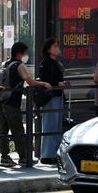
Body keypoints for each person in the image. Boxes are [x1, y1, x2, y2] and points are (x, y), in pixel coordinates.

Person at [0, 42, 52, 167]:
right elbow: (31, 82)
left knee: (2, 132)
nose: (26, 56)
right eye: (26, 53)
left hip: (1, 102)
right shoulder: (19, 65)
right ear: (19, 53)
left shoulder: (4, 64)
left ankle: (4, 158)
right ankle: (23, 158)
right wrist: (44, 84)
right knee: (18, 131)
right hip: (12, 103)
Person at [39, 37, 66, 165]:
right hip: (51, 97)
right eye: (54, 46)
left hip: (57, 96)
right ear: (48, 49)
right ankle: (47, 155)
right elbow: (44, 77)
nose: (57, 49)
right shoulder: (46, 62)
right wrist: (57, 83)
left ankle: (52, 154)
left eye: (58, 46)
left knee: (55, 126)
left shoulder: (55, 62)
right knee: (50, 125)